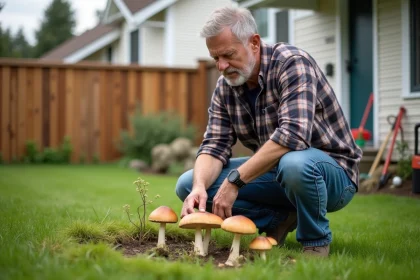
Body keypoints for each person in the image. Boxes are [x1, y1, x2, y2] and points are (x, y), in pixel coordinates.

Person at [175, 5, 362, 257]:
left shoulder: (292, 63)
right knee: (187, 185)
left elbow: (293, 136)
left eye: (227, 55)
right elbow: (214, 145)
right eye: (215, 58)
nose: (220, 66)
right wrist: (199, 186)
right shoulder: (225, 87)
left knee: (294, 162)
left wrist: (235, 180)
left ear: (253, 43)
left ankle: (315, 241)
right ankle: (279, 219)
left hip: (333, 175)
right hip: (279, 173)